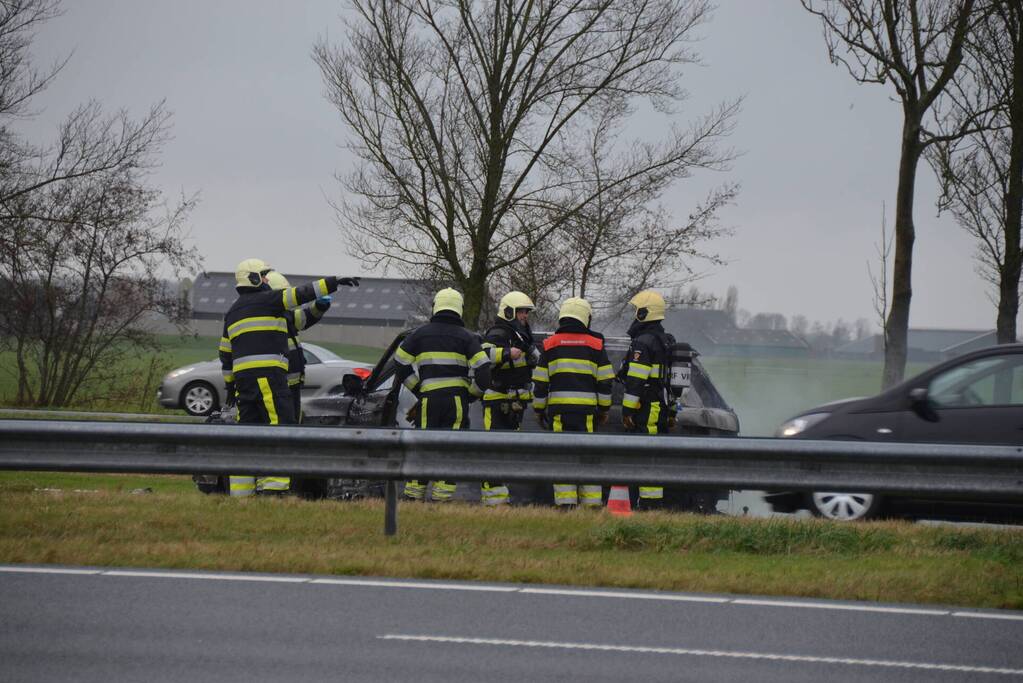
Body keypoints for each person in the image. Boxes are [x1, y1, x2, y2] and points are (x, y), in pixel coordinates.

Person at [218, 258, 358, 497]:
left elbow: (225, 353)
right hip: (268, 379)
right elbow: (301, 294)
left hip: (244, 384)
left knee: (247, 434)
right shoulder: (268, 300)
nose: (266, 279)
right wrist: (333, 282)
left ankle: (242, 494)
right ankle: (274, 488)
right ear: (254, 278)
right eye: (263, 275)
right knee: (279, 428)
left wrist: (230, 386)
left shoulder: (232, 312)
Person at [395, 288, 491, 502]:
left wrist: (418, 388)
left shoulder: (420, 334)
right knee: (451, 449)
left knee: (423, 445)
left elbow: (400, 362)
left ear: (435, 306)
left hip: (428, 400)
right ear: (459, 309)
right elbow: (484, 370)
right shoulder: (467, 337)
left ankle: (413, 496)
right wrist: (471, 394)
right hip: (456, 401)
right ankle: (441, 499)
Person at [531, 297, 614, 508]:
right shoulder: (596, 344)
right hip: (587, 414)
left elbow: (540, 382)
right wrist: (604, 409)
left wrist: (539, 409)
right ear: (585, 317)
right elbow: (605, 381)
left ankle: (566, 505)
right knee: (588, 457)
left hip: (559, 413)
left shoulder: (550, 344)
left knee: (563, 457)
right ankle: (591, 505)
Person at [479, 291, 539, 505]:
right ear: (509, 312)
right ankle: (493, 500)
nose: (525, 316)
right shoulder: (498, 333)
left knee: (506, 452)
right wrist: (505, 353)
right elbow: (482, 356)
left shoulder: (522, 335)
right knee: (493, 451)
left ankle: (501, 498)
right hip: (498, 401)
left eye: (526, 312)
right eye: (521, 311)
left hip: (515, 404)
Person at [620, 289, 675, 508]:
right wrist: (672, 411)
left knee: (646, 456)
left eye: (637, 310)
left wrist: (627, 411)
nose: (635, 314)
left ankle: (648, 506)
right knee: (654, 456)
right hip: (660, 405)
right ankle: (650, 504)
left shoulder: (643, 342)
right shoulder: (665, 340)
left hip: (647, 407)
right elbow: (670, 381)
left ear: (645, 313)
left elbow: (635, 381)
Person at [264, 271, 332, 423]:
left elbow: (305, 317)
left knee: (293, 421)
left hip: (292, 384)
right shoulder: (267, 319)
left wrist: (319, 306)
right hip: (279, 386)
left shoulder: (285, 314)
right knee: (283, 423)